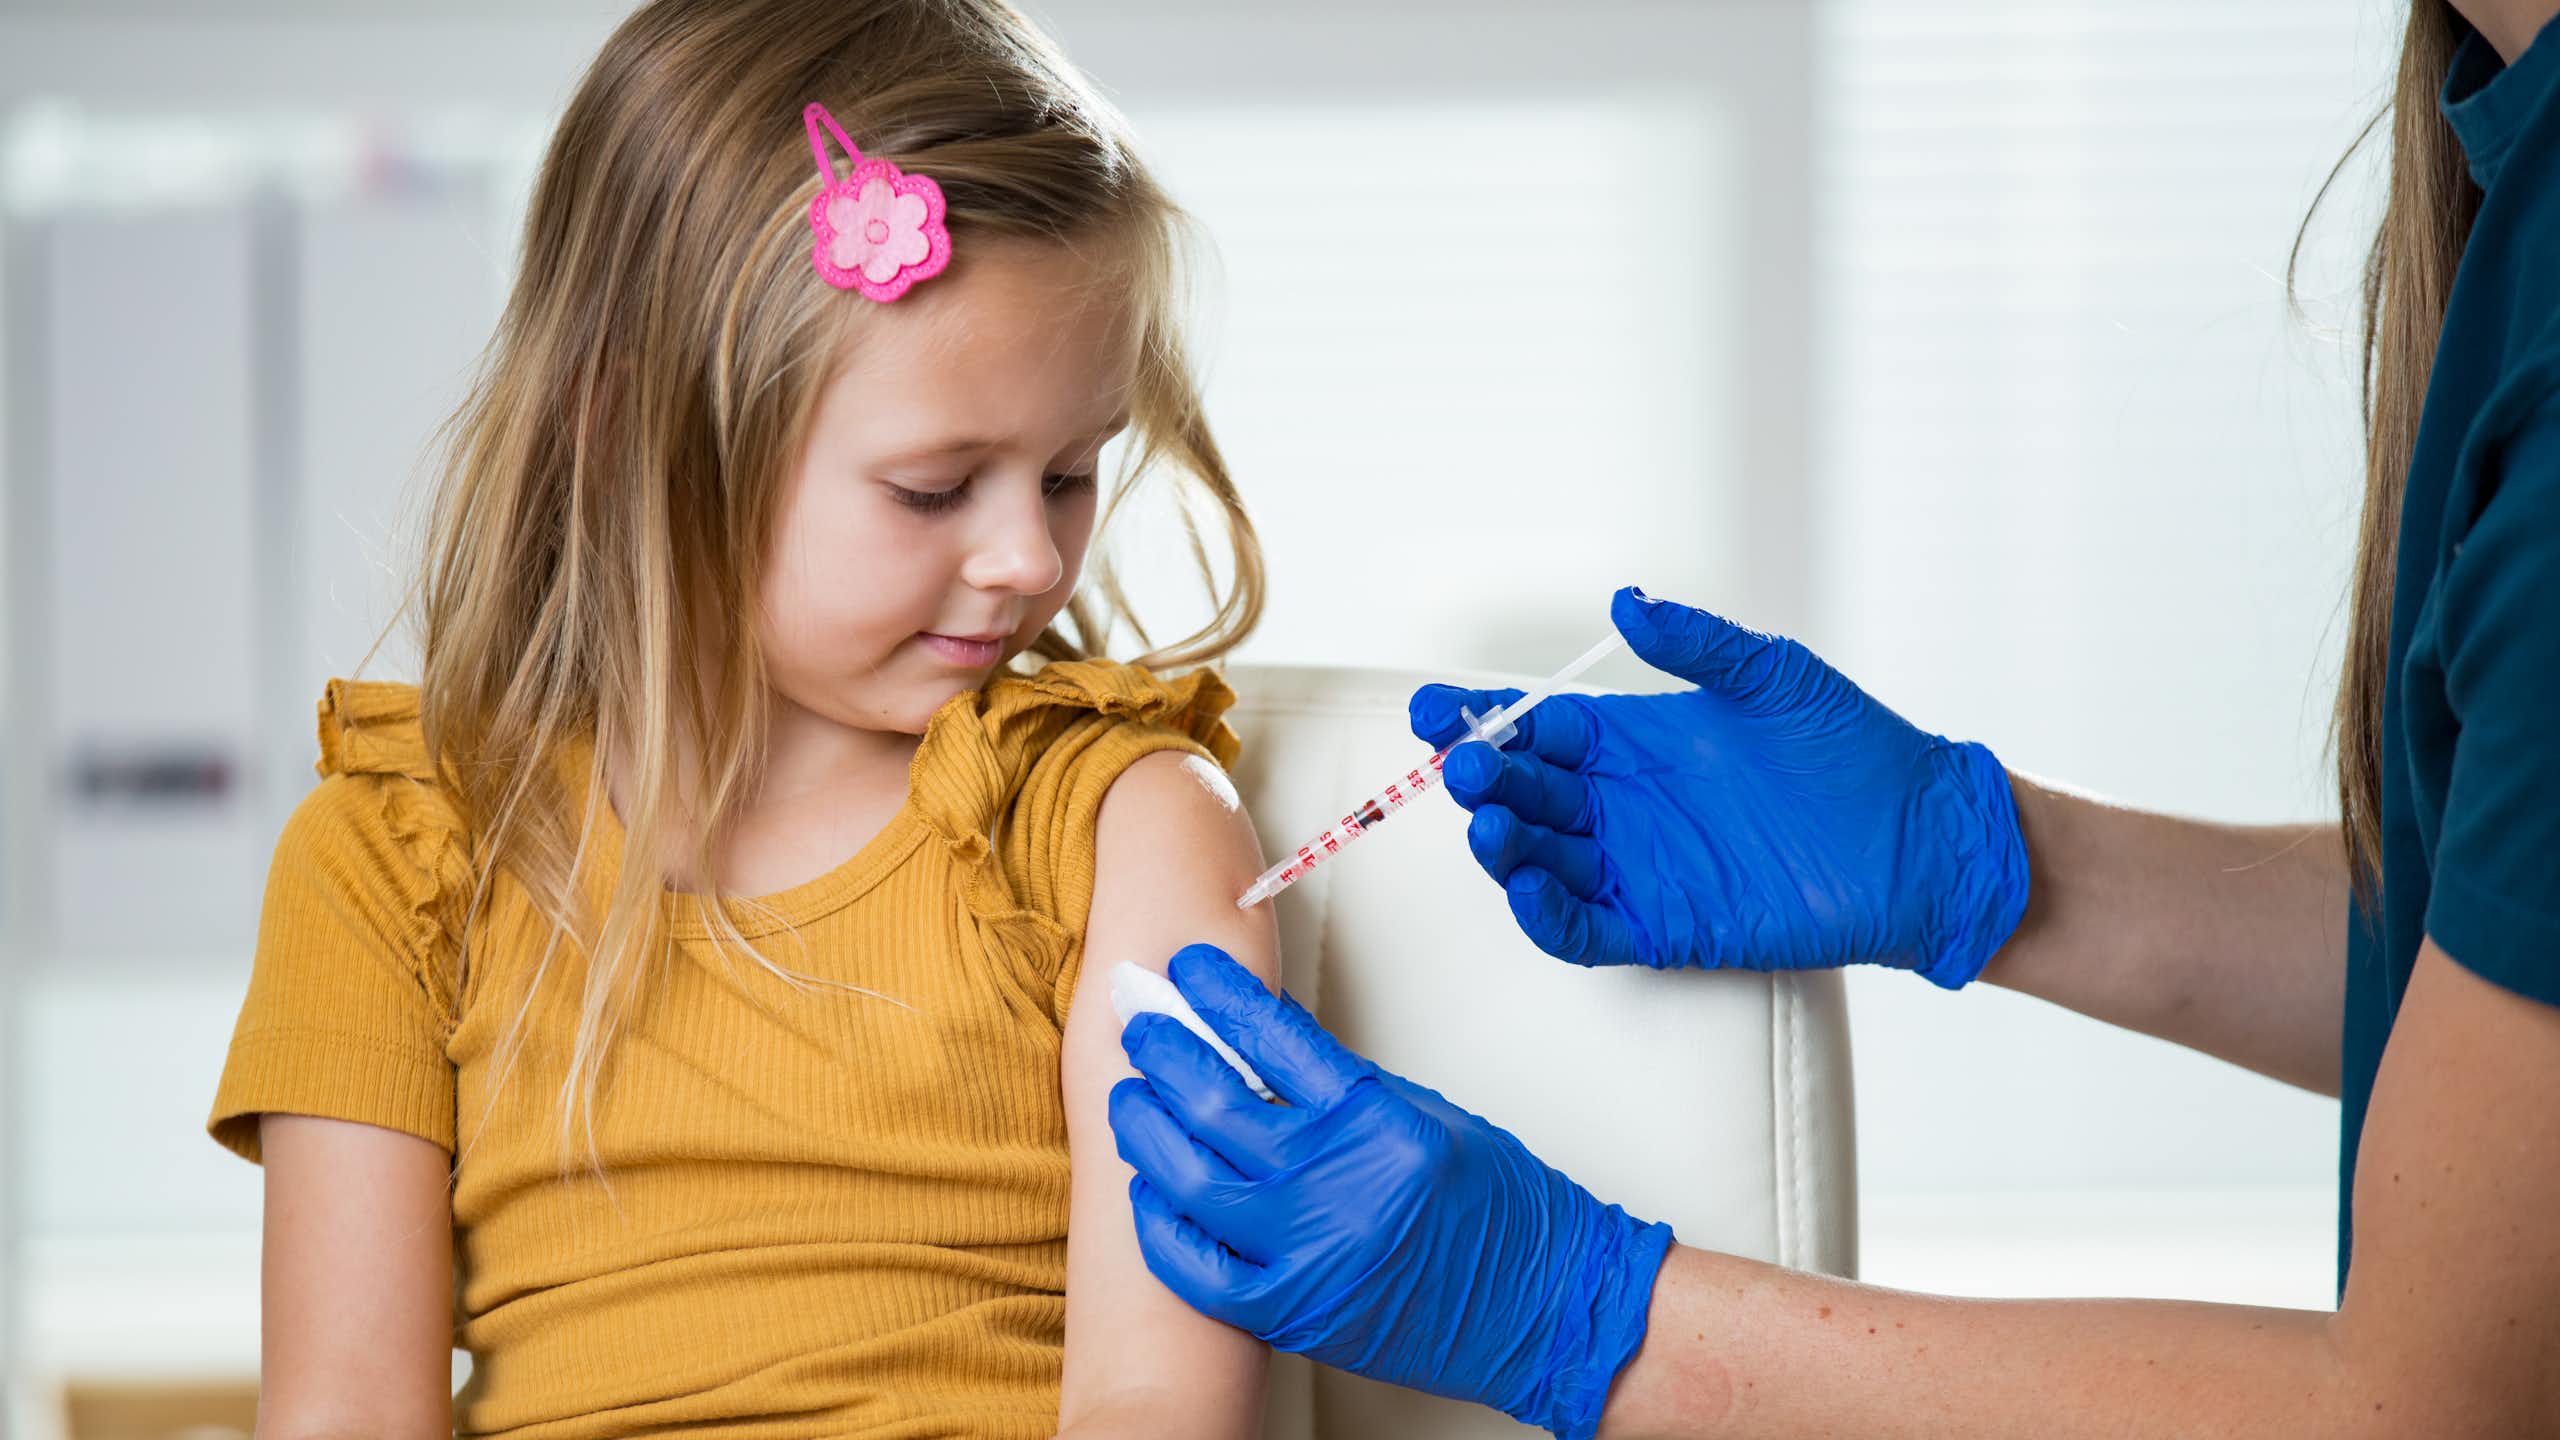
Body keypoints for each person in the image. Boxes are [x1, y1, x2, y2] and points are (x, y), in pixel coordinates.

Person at [1109, 2, 2560, 1435]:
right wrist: (1984, 857)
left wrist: (1574, 1311)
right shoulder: (2505, 144)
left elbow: (2434, 1409)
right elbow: (2497, 960)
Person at [203, 2, 1287, 1435]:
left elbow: (1160, 1404)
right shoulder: (392, 864)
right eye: (932, 487)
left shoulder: (1117, 829)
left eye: (1072, 475)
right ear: (637, 435)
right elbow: (344, 1409)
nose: (1029, 558)